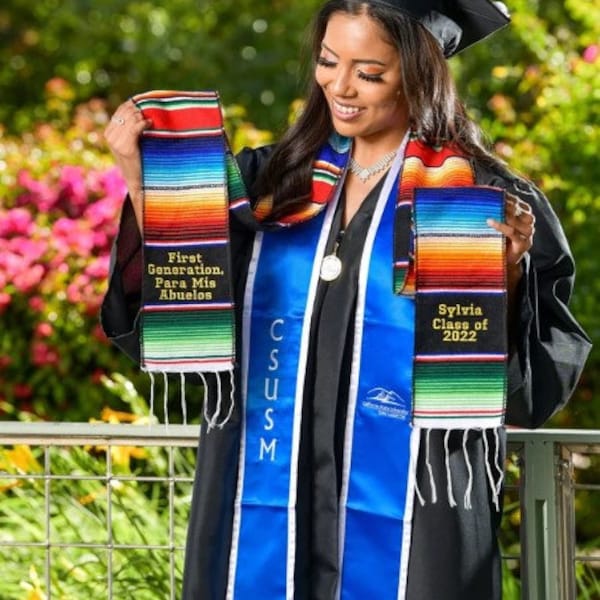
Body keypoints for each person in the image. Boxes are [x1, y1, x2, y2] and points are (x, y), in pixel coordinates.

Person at [101, 1, 591, 598]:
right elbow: (187, 313)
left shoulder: (477, 201)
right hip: (256, 498)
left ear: (419, 73)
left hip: (416, 517)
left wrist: (506, 276)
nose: (341, 86)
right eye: (329, 62)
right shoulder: (270, 184)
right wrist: (137, 171)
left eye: (369, 72)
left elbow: (526, 394)